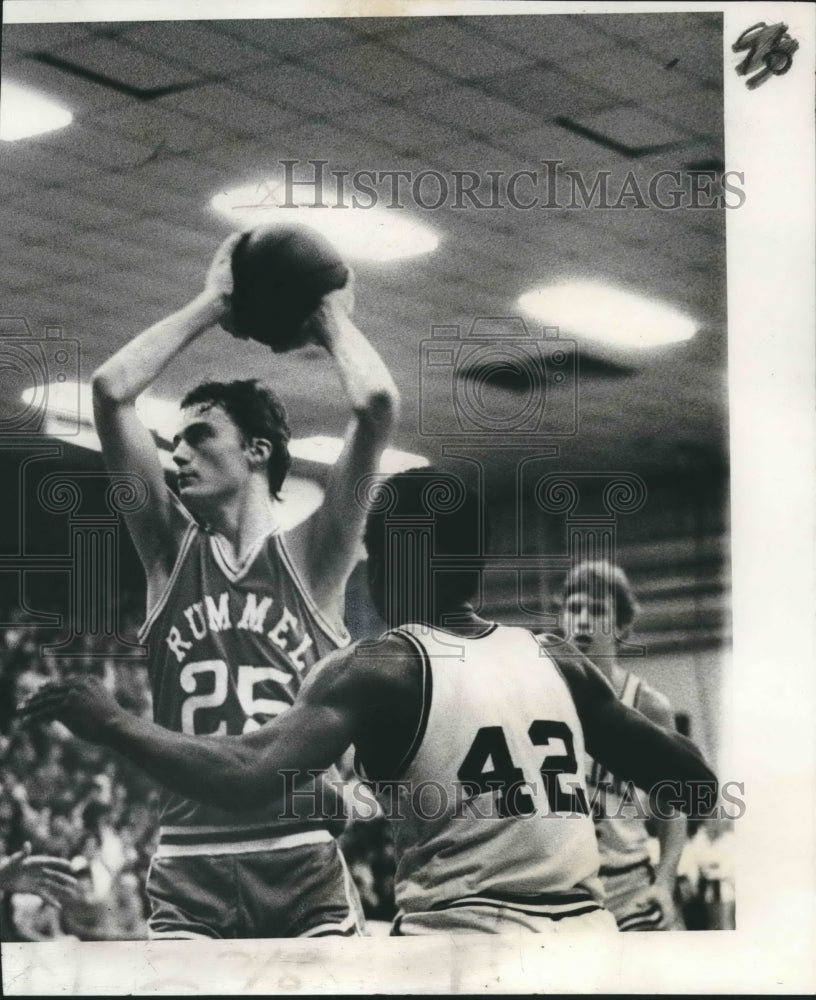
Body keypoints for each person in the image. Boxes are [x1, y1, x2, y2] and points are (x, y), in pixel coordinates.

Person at [25, 469, 717, 936]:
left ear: (385, 561)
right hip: (588, 945)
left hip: (464, 948)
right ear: (476, 564)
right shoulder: (556, 658)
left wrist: (113, 723)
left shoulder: (380, 668)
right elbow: (694, 781)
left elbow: (243, 773)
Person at [86, 233, 399, 938]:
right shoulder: (168, 551)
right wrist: (213, 303)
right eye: (173, 445)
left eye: (198, 438)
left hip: (298, 863)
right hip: (189, 867)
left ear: (257, 451)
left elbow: (377, 405)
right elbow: (110, 392)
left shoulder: (315, 555)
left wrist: (325, 316)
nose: (177, 456)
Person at [560, 560, 688, 930]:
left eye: (597, 610)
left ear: (622, 626)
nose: (582, 619)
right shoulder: (541, 694)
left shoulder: (649, 705)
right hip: (560, 889)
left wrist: (665, 883)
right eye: (574, 608)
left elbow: (673, 809)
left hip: (626, 883)